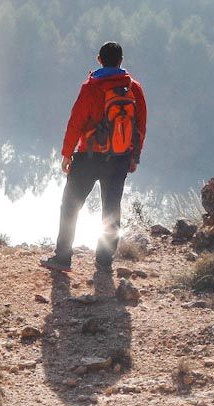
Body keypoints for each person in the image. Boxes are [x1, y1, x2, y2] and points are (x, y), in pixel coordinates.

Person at [40, 41, 147, 272]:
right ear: (121, 61)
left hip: (88, 157)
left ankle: (63, 258)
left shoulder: (91, 87)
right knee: (111, 209)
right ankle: (104, 261)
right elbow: (140, 126)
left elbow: (75, 122)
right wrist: (134, 156)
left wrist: (67, 154)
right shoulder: (133, 88)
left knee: (70, 206)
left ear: (99, 60)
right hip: (119, 158)